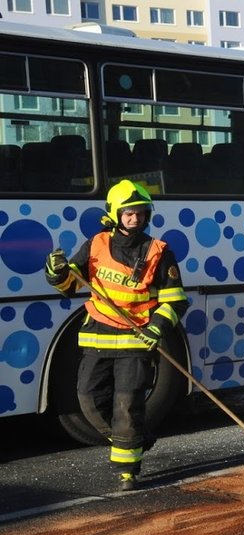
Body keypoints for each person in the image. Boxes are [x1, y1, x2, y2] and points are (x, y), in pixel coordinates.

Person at [45, 179, 188, 491]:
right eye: (128, 213)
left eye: (140, 213)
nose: (135, 218)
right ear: (114, 214)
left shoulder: (159, 252)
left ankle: (128, 470)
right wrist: (56, 272)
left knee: (127, 405)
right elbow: (70, 285)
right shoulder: (95, 245)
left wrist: (157, 328)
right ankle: (135, 437)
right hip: (98, 337)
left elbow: (176, 300)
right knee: (88, 401)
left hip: (136, 343)